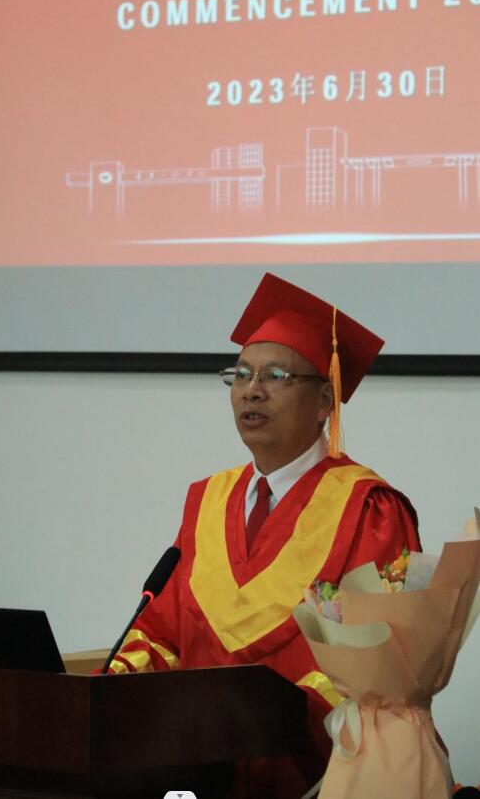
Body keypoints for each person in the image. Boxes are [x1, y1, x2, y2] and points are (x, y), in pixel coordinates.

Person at [107, 273, 421, 798]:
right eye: (240, 374)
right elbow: (162, 634)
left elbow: (373, 660)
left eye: (276, 376)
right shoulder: (207, 502)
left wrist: (267, 725)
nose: (252, 390)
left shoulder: (369, 510)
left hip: (313, 780)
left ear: (325, 400)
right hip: (193, 775)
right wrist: (109, 692)